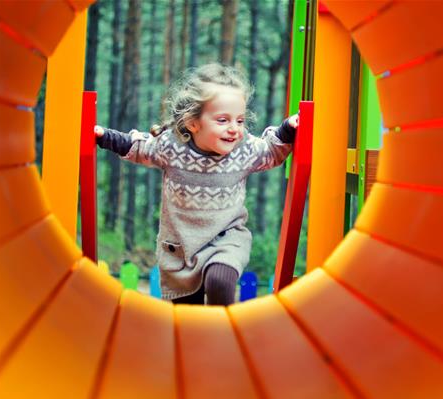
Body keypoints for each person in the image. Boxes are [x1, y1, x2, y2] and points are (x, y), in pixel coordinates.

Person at [95, 63, 298, 305]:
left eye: (240, 120)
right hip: (181, 247)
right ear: (193, 123)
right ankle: (196, 339)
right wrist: (103, 136)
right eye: (223, 120)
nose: (234, 129)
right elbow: (138, 146)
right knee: (187, 313)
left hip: (226, 238)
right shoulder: (171, 147)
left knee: (220, 281)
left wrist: (287, 130)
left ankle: (221, 333)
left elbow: (270, 151)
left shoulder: (243, 150)